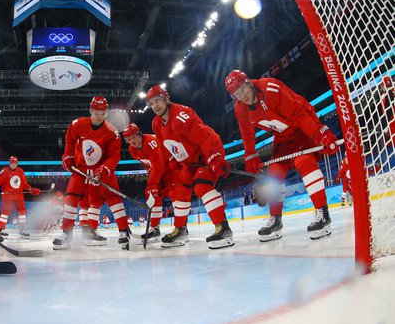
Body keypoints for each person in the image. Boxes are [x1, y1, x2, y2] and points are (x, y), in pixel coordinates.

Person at [225, 70, 339, 241]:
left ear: (249, 82)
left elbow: (300, 116)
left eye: (242, 90)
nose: (242, 97)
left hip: (302, 126)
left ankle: (323, 213)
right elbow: (247, 133)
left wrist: (318, 135)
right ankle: (275, 220)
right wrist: (250, 155)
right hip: (283, 136)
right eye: (237, 95)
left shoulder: (271, 88)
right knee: (274, 172)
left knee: (304, 162)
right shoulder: (240, 108)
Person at [145, 85, 235, 249]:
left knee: (201, 186)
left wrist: (215, 157)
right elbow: (167, 144)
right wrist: (173, 157)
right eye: (151, 103)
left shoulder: (180, 116)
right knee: (180, 191)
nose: (154, 106)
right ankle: (180, 230)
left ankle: (223, 228)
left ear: (166, 98)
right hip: (189, 161)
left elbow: (208, 136)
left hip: (205, 155)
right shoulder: (156, 123)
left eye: (157, 101)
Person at [55, 96, 131, 250]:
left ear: (106, 113)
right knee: (70, 198)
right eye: (96, 112)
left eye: (102, 112)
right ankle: (66, 233)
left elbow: (114, 156)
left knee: (113, 197)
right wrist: (67, 157)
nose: (98, 115)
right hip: (81, 170)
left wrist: (104, 169)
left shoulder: (113, 132)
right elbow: (69, 142)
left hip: (101, 169)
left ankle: (123, 231)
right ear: (90, 111)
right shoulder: (77, 124)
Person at [122, 122, 170, 242]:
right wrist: (152, 185)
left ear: (139, 134)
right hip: (158, 169)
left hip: (171, 167)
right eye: (128, 139)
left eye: (133, 137)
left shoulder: (150, 142)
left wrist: (152, 184)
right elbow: (148, 165)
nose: (131, 141)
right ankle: (155, 228)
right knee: (154, 196)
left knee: (176, 194)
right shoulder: (132, 149)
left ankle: (182, 226)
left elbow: (159, 167)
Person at [0, 156, 41, 238]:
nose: (13, 165)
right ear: (9, 163)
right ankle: (1, 229)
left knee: (22, 212)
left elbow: (24, 184)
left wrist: (31, 189)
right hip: (8, 196)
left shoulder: (20, 171)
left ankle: (22, 229)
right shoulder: (4, 171)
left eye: (15, 164)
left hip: (19, 195)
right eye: (12, 164)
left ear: (17, 164)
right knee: (5, 212)